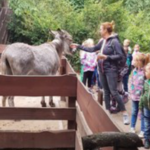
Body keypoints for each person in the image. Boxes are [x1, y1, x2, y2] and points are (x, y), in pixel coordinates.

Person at [71, 21, 129, 125]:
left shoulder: (114, 41)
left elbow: (121, 56)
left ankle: (124, 113)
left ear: (106, 30)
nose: (99, 31)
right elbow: (92, 49)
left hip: (111, 69)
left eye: (101, 29)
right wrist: (78, 46)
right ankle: (107, 112)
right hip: (101, 69)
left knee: (114, 92)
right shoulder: (103, 41)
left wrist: (106, 57)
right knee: (105, 91)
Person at [129, 53, 146, 138]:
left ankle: (143, 130)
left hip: (142, 97)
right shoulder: (134, 71)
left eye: (135, 60)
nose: (134, 61)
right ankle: (132, 127)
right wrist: (131, 92)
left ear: (140, 61)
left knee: (143, 113)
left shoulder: (145, 72)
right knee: (134, 112)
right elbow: (131, 81)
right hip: (134, 97)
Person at [139, 62, 150, 149]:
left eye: (146, 71)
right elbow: (142, 95)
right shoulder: (145, 82)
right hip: (146, 107)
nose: (145, 73)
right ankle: (146, 140)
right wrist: (140, 106)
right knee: (146, 125)